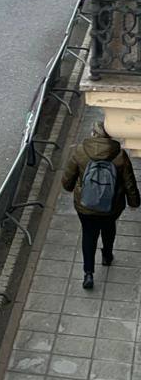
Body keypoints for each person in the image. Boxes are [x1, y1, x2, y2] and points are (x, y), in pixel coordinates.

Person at [62, 120, 140, 289]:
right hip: (111, 205)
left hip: (86, 205)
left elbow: (67, 181)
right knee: (109, 228)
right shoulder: (119, 155)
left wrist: (72, 188)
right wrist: (134, 202)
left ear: (93, 133)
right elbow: (129, 182)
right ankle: (107, 255)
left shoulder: (80, 151)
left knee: (88, 235)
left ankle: (88, 273)